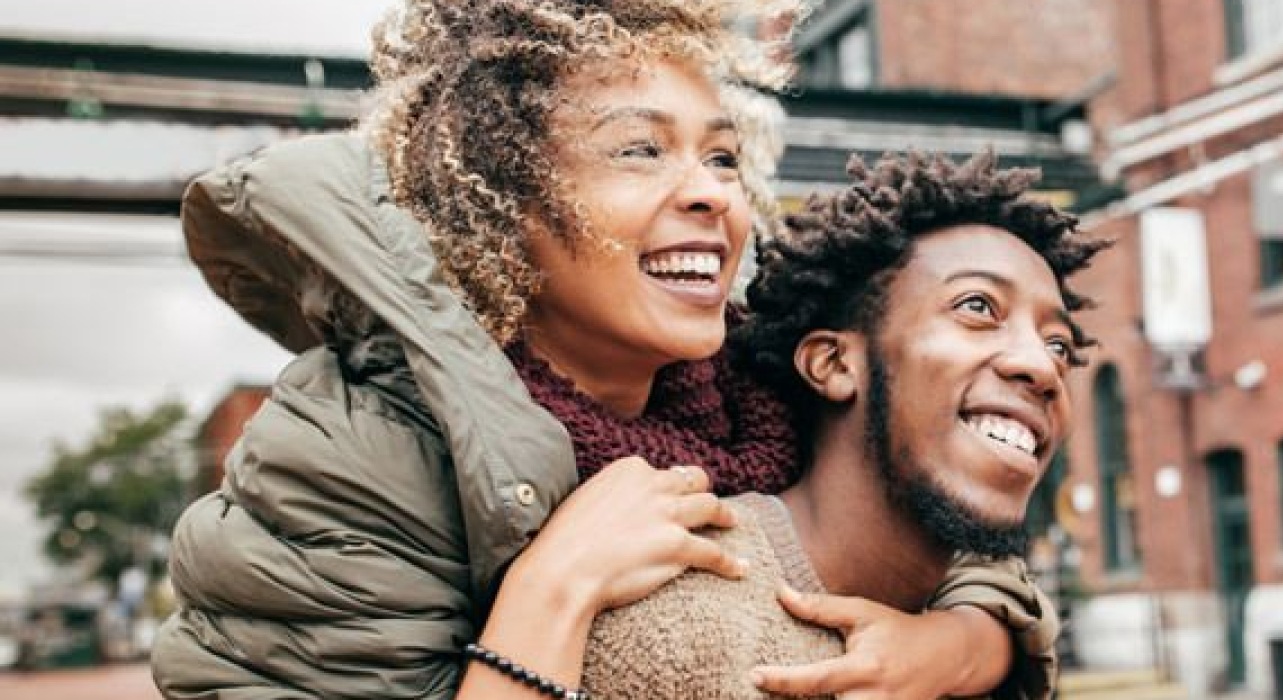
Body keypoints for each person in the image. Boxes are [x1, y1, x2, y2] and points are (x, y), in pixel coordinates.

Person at [149, 1, 1058, 698]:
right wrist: (554, 587)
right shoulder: (356, 448)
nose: (709, 195)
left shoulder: (758, 386)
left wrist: (961, 644)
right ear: (503, 208)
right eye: (640, 151)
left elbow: (939, 501)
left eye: (722, 159)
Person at [578, 151, 1106, 699]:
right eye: (977, 306)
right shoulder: (680, 627)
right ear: (832, 364)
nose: (1044, 368)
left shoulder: (977, 635)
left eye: (1059, 345)